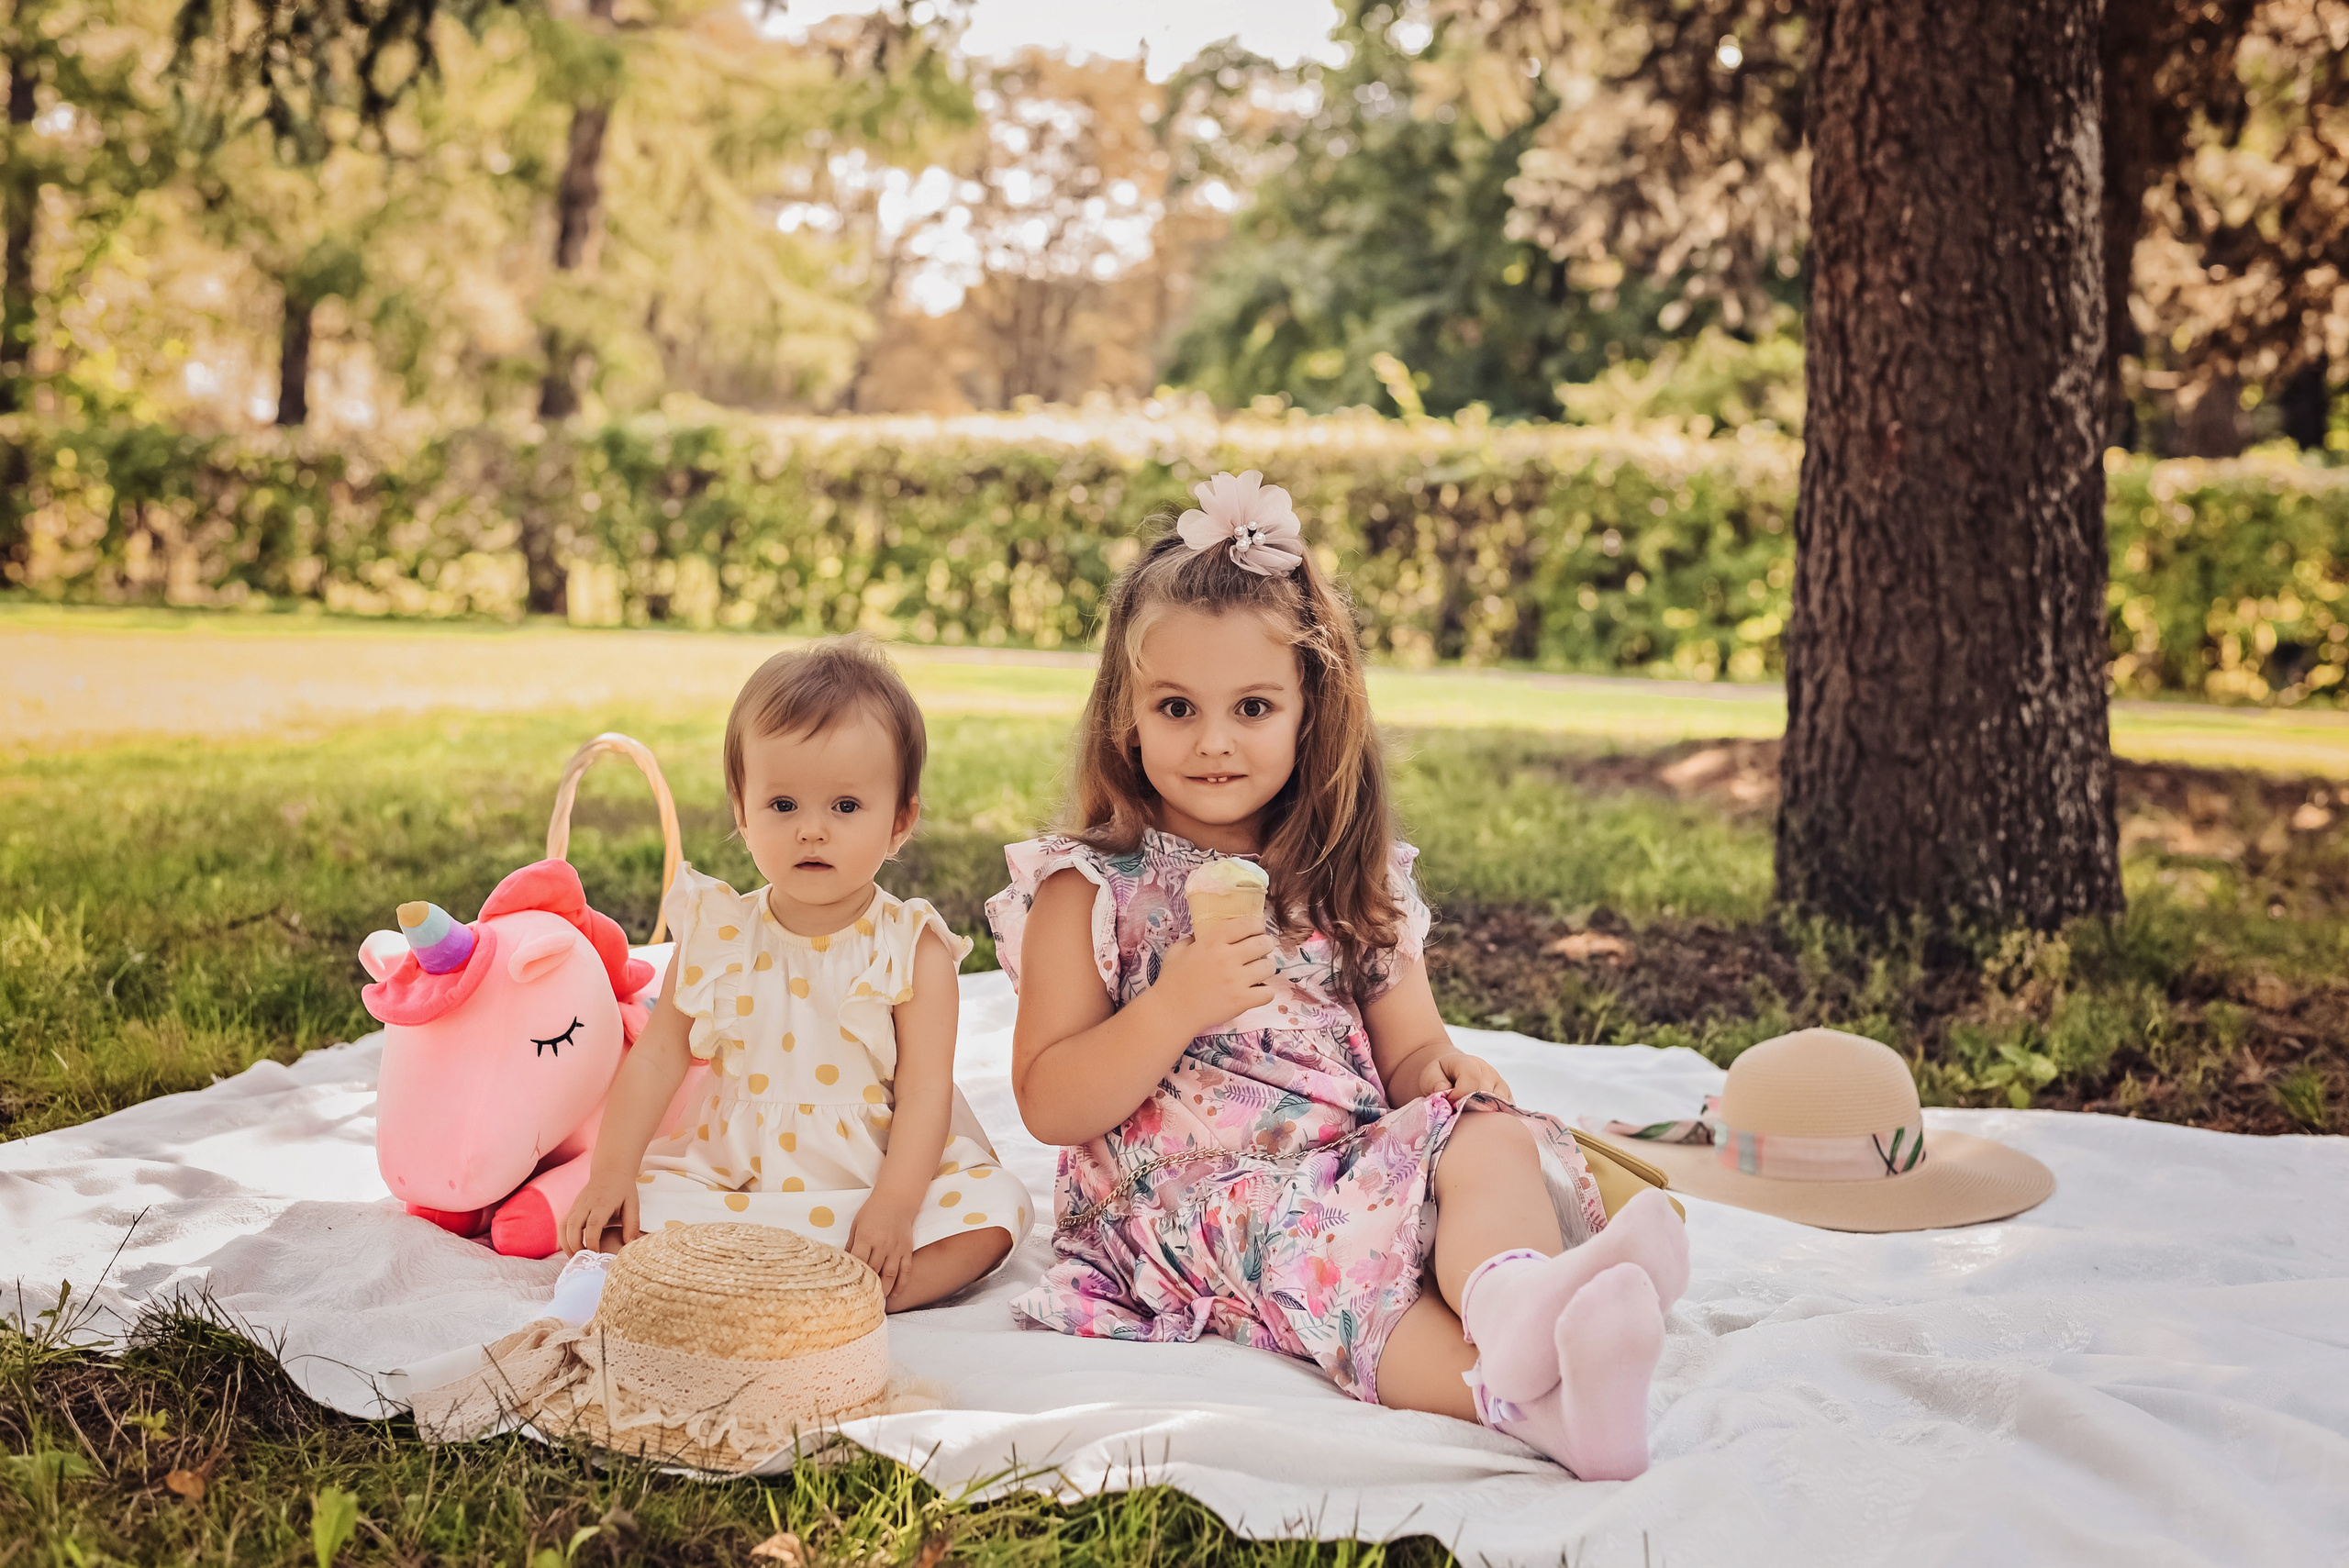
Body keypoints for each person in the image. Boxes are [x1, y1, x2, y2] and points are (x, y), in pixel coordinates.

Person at [985, 472, 1689, 1479]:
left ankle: (1516, 1303)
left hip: (1350, 1161)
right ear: (1125, 716)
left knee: (1485, 1140)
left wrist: (1445, 1075)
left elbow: (1411, 1047)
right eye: (1176, 705)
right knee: (1341, 1268)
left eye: (1253, 705)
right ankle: (1526, 1402)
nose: (1214, 739)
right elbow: (1051, 1101)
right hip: (1186, 1201)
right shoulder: (1090, 887)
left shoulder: (1343, 877)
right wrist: (1175, 1001)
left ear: (1311, 711)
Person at [560, 637, 1030, 1312]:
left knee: (993, 1208)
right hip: (736, 1179)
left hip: (869, 1179)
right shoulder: (718, 930)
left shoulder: (911, 946)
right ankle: (772, 1286)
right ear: (741, 813)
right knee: (613, 1223)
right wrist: (613, 1172)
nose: (812, 830)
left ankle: (841, 1296)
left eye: (845, 807)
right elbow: (659, 1056)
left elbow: (926, 1090)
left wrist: (896, 1207)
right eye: (783, 805)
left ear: (900, 820)